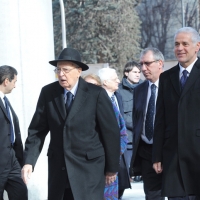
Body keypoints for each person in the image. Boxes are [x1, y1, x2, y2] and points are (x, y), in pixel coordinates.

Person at [21, 48, 121, 200]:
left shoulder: (96, 94)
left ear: (78, 71)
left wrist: (112, 168)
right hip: (59, 169)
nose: (61, 74)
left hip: (89, 170)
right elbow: (37, 130)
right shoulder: (48, 93)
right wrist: (29, 161)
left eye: (66, 70)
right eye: (58, 69)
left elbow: (111, 132)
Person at [153, 27, 200, 200]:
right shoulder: (166, 78)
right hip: (173, 157)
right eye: (176, 44)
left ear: (197, 46)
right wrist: (157, 155)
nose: (180, 48)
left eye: (185, 44)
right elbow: (160, 120)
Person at [130, 47, 164, 200]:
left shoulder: (172, 86)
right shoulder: (139, 90)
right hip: (146, 152)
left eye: (147, 63)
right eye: (141, 64)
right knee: (152, 195)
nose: (143, 68)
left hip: (168, 150)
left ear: (160, 64)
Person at [98, 67, 128, 200]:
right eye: (114, 78)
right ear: (104, 82)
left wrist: (118, 151)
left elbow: (122, 130)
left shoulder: (117, 97)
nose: (118, 80)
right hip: (101, 160)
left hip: (117, 156)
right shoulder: (98, 100)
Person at [0, 65, 27, 200]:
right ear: (6, 81)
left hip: (12, 159)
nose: (15, 86)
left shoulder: (5, 100)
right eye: (14, 81)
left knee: (20, 192)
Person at [118, 61, 143, 189]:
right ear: (126, 73)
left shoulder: (145, 88)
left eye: (139, 72)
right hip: (127, 142)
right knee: (123, 179)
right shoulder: (118, 91)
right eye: (134, 72)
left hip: (143, 141)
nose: (138, 75)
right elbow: (121, 116)